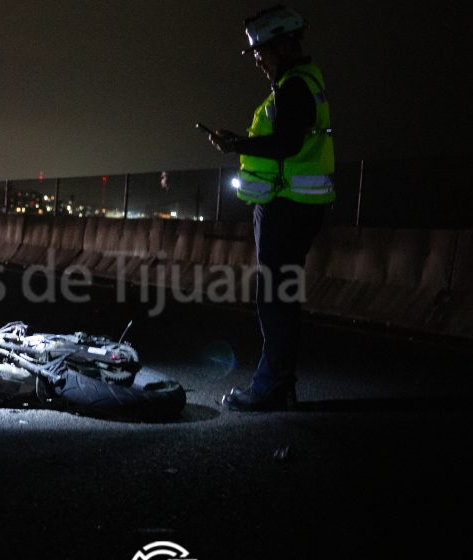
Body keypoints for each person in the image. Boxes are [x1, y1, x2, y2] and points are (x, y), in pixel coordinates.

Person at [205, 5, 335, 411]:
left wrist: (236, 145)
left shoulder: (294, 87)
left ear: (283, 45)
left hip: (286, 206)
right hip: (297, 205)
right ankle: (281, 383)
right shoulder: (303, 82)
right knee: (283, 296)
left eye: (261, 51)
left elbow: (286, 144)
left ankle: (270, 388)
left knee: (275, 300)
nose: (258, 59)